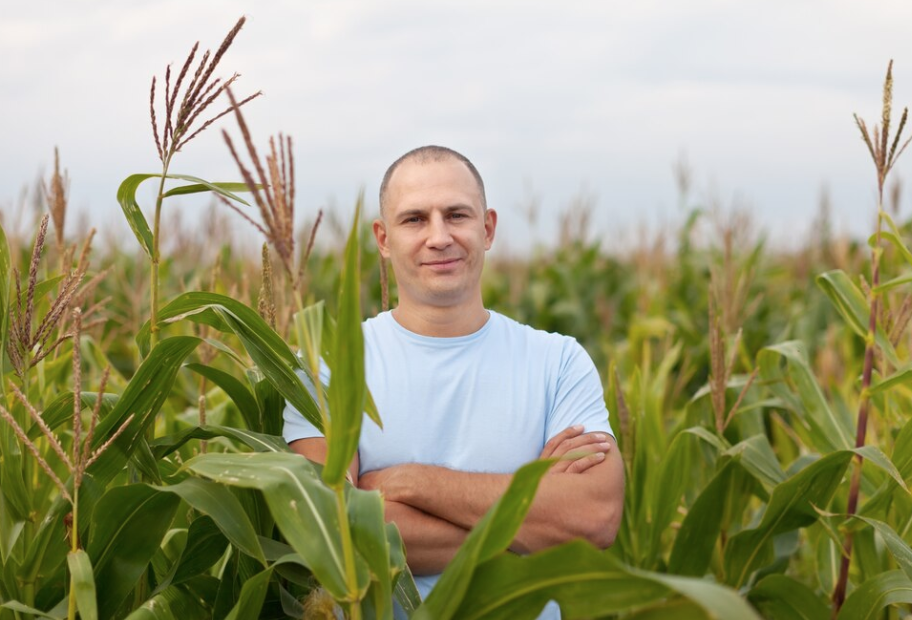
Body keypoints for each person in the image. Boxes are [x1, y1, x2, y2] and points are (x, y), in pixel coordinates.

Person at [283, 145, 624, 616]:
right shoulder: (329, 365)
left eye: (457, 215)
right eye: (415, 220)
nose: (439, 237)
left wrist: (410, 483)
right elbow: (335, 531)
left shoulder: (558, 362)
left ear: (487, 229)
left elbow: (593, 517)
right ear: (383, 238)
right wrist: (529, 520)